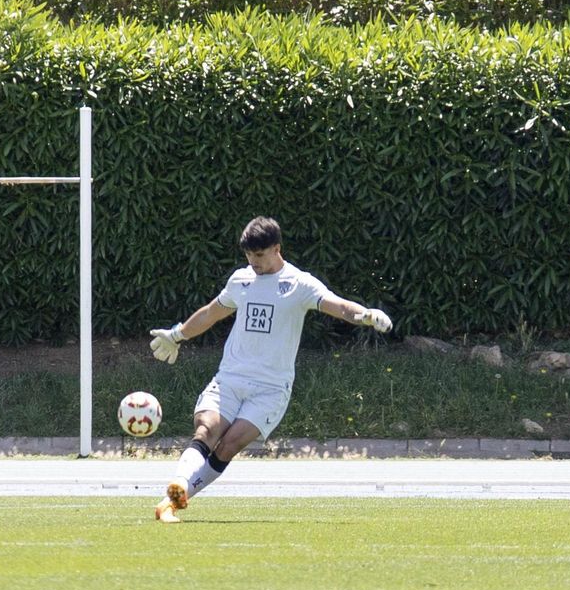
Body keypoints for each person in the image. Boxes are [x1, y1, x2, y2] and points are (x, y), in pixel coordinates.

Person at [148, 216, 392, 523]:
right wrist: (176, 335)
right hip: (231, 378)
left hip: (271, 388)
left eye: (259, 255)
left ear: (277, 248)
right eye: (249, 256)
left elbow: (338, 305)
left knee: (229, 444)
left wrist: (366, 315)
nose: (253, 262)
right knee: (207, 430)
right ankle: (177, 487)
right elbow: (211, 313)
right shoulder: (241, 280)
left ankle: (174, 501)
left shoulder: (300, 284)